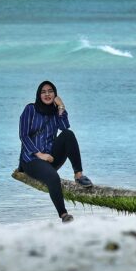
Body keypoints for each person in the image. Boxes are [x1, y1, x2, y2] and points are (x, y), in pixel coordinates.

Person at [18, 80, 94, 223]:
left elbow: (64, 127)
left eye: (50, 91)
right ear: (39, 95)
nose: (47, 94)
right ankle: (64, 215)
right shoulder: (30, 109)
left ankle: (78, 175)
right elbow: (23, 135)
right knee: (53, 177)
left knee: (68, 135)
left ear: (55, 94)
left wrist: (61, 106)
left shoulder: (55, 110)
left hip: (50, 157)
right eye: (43, 92)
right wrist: (40, 154)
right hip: (31, 159)